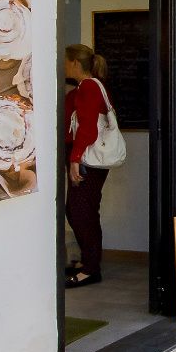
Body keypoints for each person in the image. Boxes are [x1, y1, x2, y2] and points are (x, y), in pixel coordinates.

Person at [63, 44, 113, 288]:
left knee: (82, 211)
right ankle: (88, 262)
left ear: (74, 63)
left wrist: (75, 159)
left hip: (87, 159)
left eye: (65, 60)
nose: (63, 65)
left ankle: (91, 269)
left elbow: (88, 127)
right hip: (85, 157)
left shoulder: (89, 87)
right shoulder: (85, 87)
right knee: (78, 210)